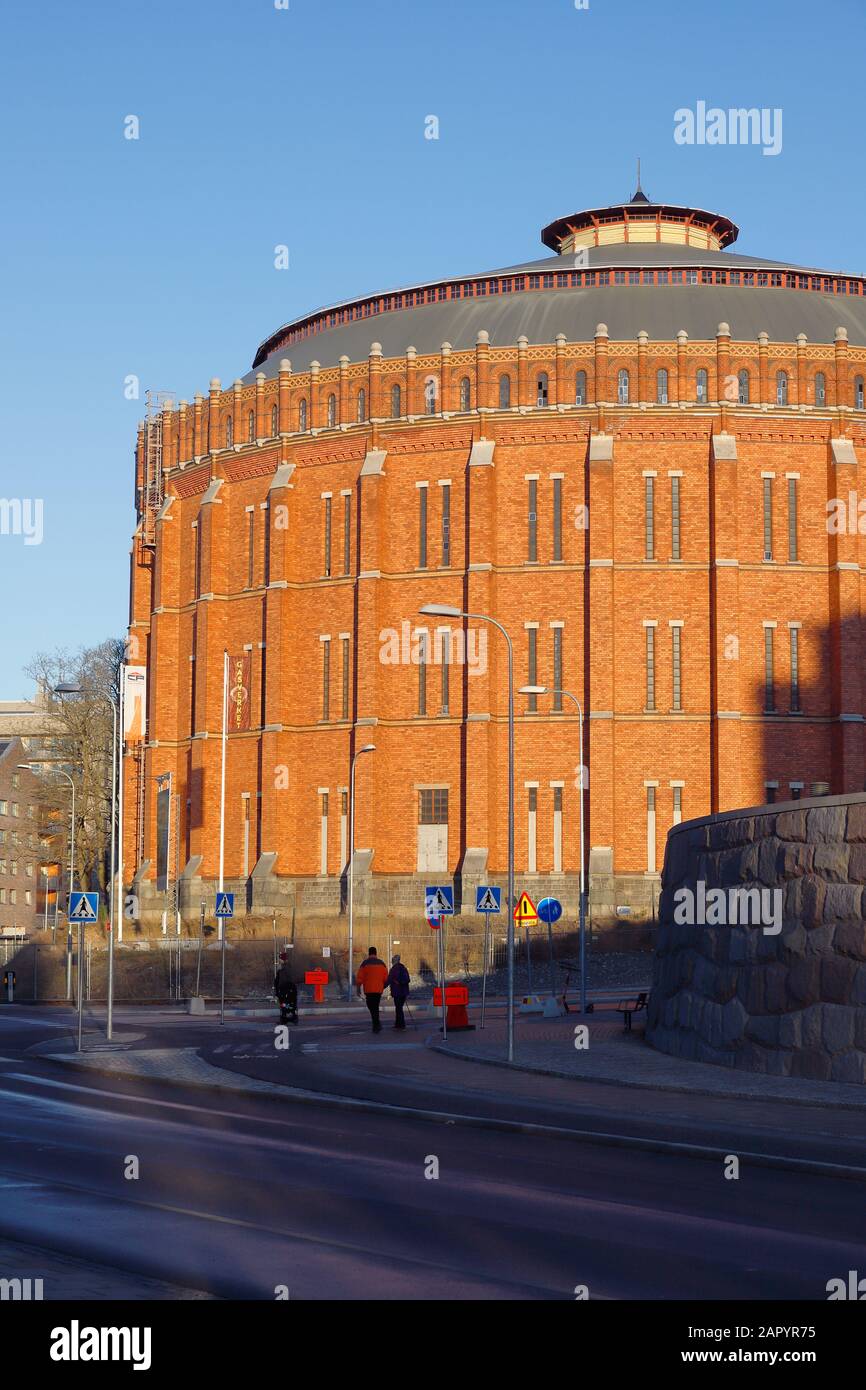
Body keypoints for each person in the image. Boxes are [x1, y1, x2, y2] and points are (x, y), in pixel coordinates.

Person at [356, 946, 389, 1032]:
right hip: (378, 990)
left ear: (369, 953)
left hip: (368, 990)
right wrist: (383, 986)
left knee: (371, 1007)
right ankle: (376, 1024)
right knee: (375, 1006)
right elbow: (386, 978)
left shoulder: (365, 963)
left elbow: (360, 977)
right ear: (376, 953)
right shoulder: (382, 963)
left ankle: (376, 1025)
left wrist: (358, 988)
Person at [385, 954, 411, 1030]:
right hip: (404, 992)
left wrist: (382, 987)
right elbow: (408, 980)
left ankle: (401, 1025)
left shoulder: (393, 970)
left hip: (397, 992)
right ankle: (398, 1024)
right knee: (399, 1008)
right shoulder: (403, 968)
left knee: (398, 1008)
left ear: (393, 961)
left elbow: (389, 980)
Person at [274, 950, 298, 1025]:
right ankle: (292, 1018)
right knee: (290, 1004)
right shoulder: (287, 968)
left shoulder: (284, 969)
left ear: (283, 959)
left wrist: (279, 989)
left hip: (286, 989)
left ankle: (285, 1019)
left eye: (280, 959)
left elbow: (283, 980)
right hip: (289, 989)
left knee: (285, 1004)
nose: (279, 960)